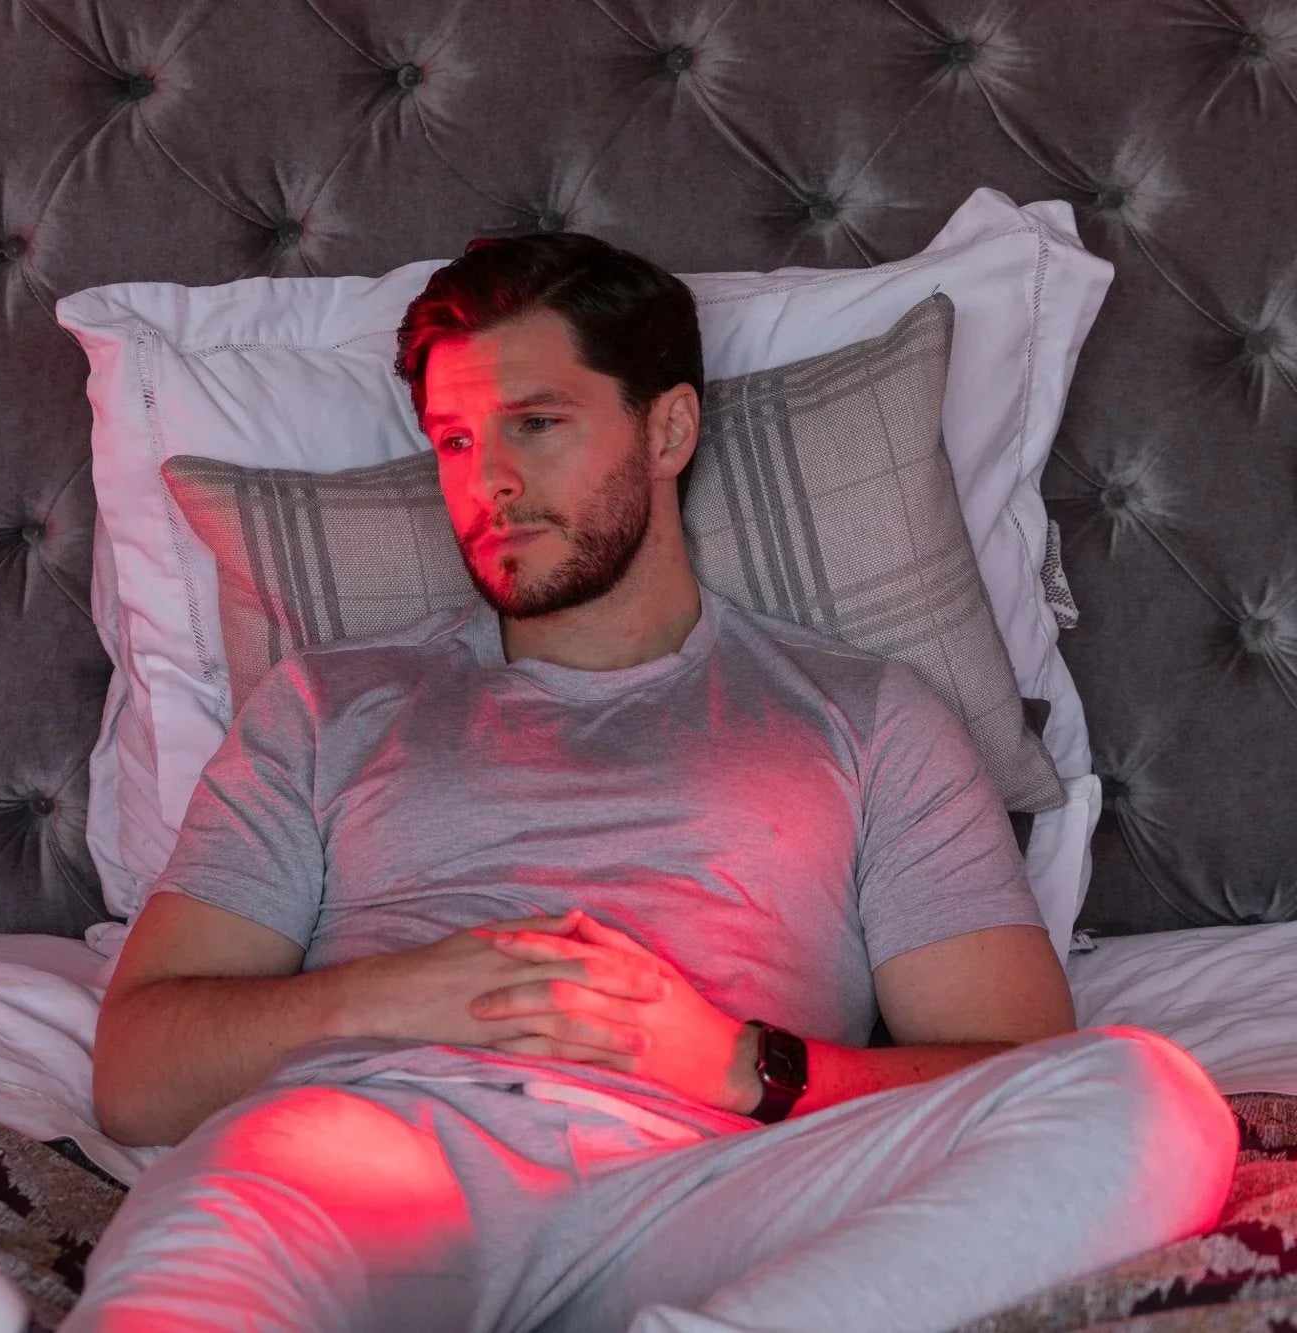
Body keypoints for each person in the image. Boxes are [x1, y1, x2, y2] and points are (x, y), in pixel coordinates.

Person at [63, 234, 1236, 1332]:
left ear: (668, 428)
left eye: (536, 423)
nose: (490, 485)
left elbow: (1011, 1071)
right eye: (456, 441)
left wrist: (740, 1062)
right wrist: (399, 995)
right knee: (212, 1232)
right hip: (381, 1154)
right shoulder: (325, 704)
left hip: (726, 1176)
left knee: (1147, 1096)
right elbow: (138, 1077)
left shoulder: (864, 714)